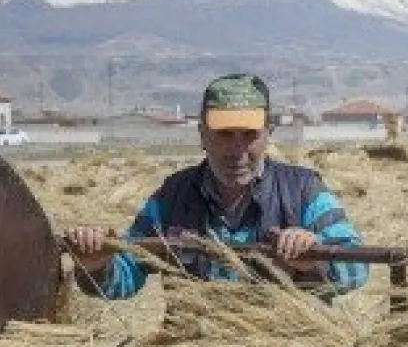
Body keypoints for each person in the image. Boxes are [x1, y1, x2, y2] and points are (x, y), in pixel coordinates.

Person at [64, 73, 369, 298]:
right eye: (224, 134)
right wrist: (97, 264)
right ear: (202, 134)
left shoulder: (303, 190)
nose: (236, 150)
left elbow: (358, 268)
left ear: (268, 134)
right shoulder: (173, 196)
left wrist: (314, 256)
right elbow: (127, 273)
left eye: (249, 134)